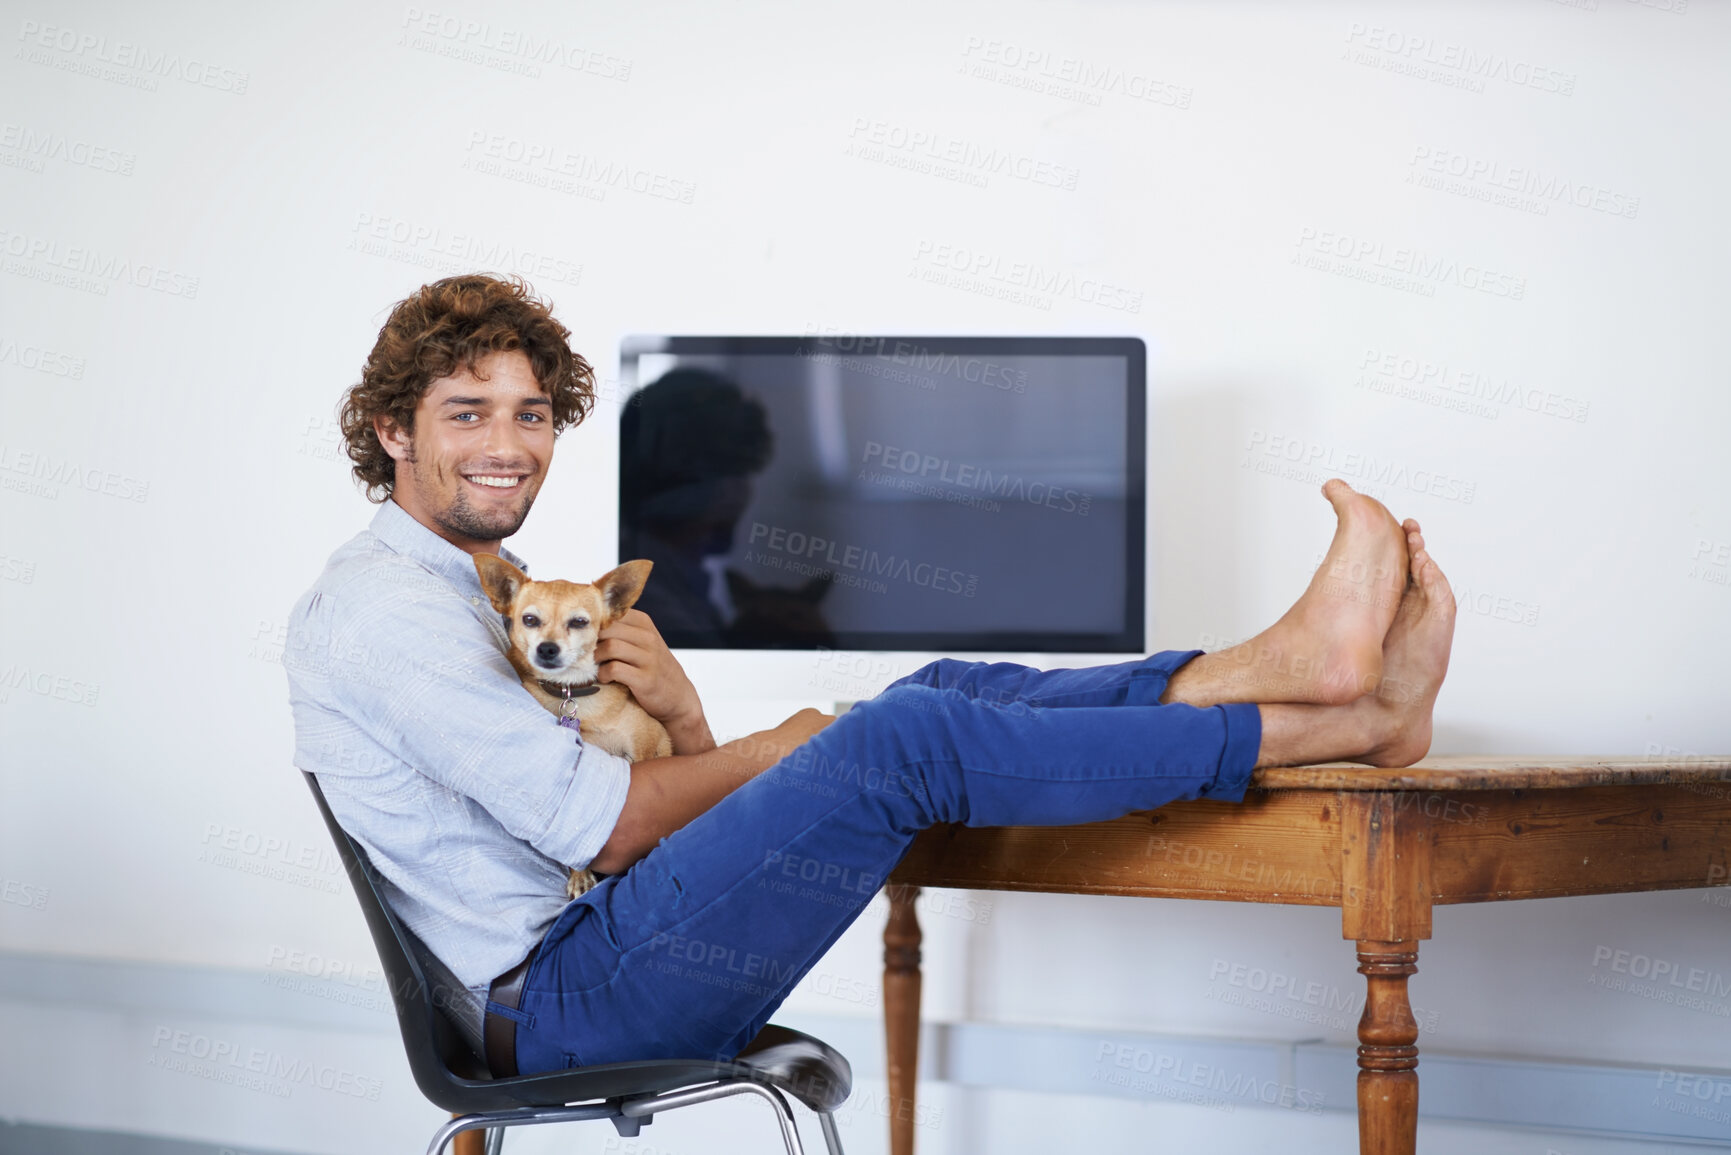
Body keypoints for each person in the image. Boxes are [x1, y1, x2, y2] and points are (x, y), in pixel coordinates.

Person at [284, 274, 1456, 1079]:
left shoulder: (487, 586)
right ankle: (1332, 716)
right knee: (895, 738)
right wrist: (792, 738)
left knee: (935, 693)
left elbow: (635, 810)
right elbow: (610, 828)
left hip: (602, 955)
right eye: (468, 412)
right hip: (567, 1002)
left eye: (531, 412)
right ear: (393, 430)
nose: (510, 441)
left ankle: (1290, 666)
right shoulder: (388, 611)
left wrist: (691, 712)